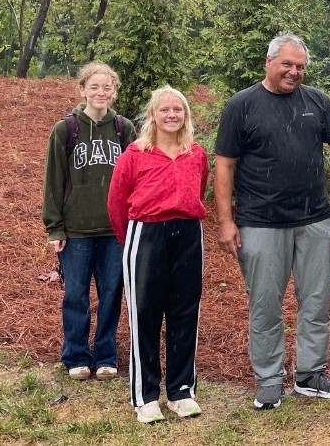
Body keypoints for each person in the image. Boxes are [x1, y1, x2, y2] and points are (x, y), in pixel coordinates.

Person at [214, 32, 330, 410]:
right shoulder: (241, 106)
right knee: (265, 304)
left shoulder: (317, 102)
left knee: (316, 302)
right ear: (269, 62)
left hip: (316, 220)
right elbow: (224, 166)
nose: (294, 72)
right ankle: (270, 379)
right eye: (287, 64)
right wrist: (226, 222)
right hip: (260, 222)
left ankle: (310, 376)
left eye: (300, 66)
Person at [107, 86, 208, 423]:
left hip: (188, 234)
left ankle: (181, 392)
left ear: (186, 115)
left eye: (177, 110)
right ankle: (145, 396)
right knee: (145, 314)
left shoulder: (195, 153)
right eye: (164, 110)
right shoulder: (135, 154)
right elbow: (117, 203)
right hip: (146, 233)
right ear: (152, 115)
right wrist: (132, 241)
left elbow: (200, 188)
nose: (171, 115)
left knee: (185, 313)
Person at [41, 61, 135, 382]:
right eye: (93, 87)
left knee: (112, 292)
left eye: (106, 87)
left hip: (115, 231)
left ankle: (106, 354)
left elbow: (136, 181)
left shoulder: (124, 130)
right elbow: (53, 182)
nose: (100, 92)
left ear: (114, 92)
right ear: (82, 90)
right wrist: (54, 227)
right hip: (76, 231)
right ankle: (76, 355)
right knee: (76, 295)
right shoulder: (65, 130)